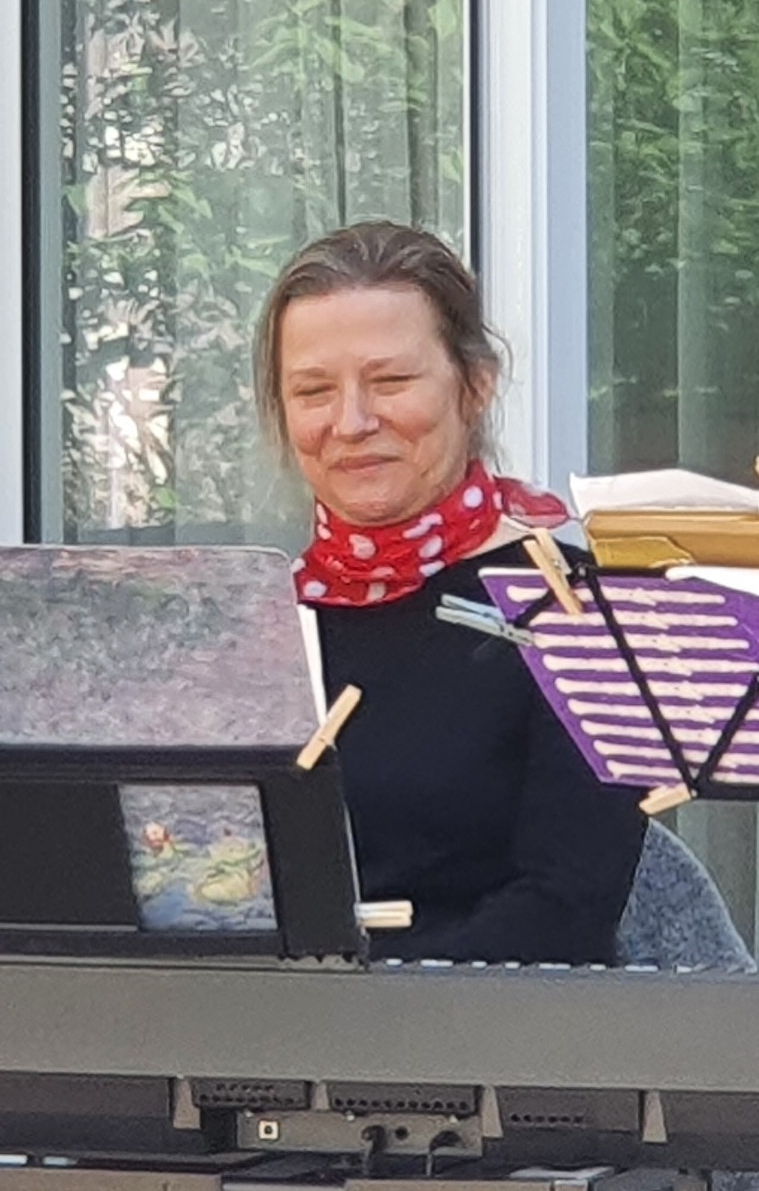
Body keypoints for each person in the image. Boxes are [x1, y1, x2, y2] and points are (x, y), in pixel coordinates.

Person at [256, 221, 645, 963]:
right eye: (312, 390)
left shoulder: (577, 607)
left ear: (476, 385)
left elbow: (566, 909)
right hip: (247, 1047)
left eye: (392, 382)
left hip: (482, 1045)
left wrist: (366, 1015)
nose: (352, 422)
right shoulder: (256, 618)